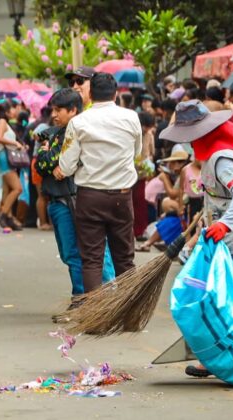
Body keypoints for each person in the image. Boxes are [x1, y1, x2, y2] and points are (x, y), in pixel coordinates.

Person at [160, 100, 233, 375]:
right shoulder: (211, 156)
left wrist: (224, 224)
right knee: (219, 298)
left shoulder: (221, 158)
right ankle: (217, 357)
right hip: (223, 239)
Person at [56, 73, 141, 293]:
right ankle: (130, 312)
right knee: (124, 258)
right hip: (122, 196)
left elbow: (66, 165)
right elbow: (137, 152)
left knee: (92, 259)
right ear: (116, 94)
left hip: (90, 197)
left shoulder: (78, 122)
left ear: (91, 94)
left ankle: (95, 316)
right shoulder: (131, 117)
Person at [36, 88, 116, 320]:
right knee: (72, 253)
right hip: (59, 199)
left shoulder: (73, 133)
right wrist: (47, 156)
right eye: (53, 109)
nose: (54, 114)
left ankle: (81, 302)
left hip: (71, 199)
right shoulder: (56, 133)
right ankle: (90, 300)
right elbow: (43, 165)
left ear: (73, 110)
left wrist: (47, 154)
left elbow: (47, 163)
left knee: (76, 253)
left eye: (58, 110)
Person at [0, 102, 25, 230]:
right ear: (7, 111)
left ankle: (8, 217)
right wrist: (15, 143)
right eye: (13, 108)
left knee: (8, 190)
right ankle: (4, 215)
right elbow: (0, 138)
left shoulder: (4, 122)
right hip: (4, 157)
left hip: (5, 157)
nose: (15, 111)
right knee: (18, 189)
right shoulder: (2, 122)